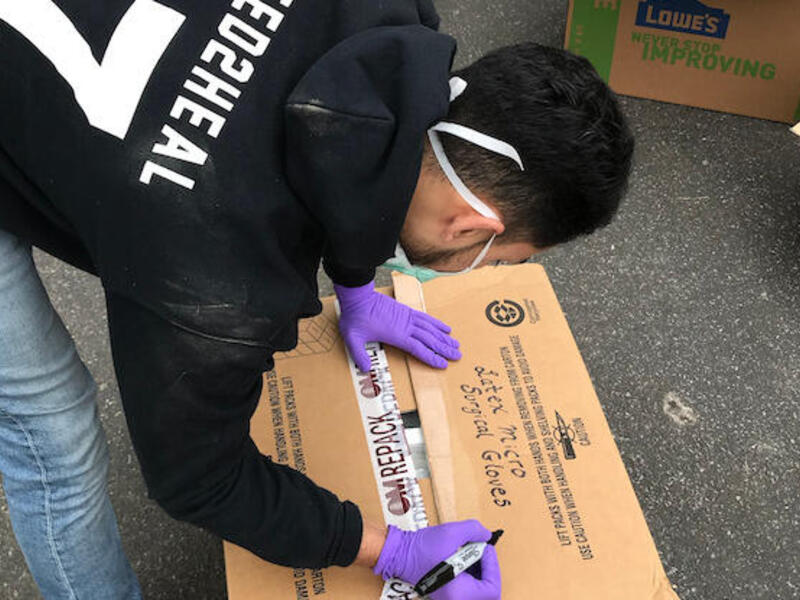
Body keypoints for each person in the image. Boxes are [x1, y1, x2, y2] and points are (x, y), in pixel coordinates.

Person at [0, 0, 634, 598]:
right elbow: (199, 481)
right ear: (470, 228)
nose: (483, 269)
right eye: (500, 259)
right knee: (48, 429)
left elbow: (353, 142)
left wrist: (355, 283)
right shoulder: (221, 287)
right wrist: (388, 550)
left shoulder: (389, 19)